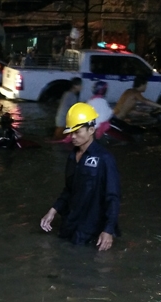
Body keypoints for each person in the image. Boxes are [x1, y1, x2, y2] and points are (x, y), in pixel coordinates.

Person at [40, 103, 121, 251]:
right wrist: (53, 210)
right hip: (70, 223)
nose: (73, 137)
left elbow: (113, 197)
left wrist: (108, 230)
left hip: (91, 228)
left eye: (77, 132)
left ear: (91, 130)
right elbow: (70, 189)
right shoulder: (72, 156)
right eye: (71, 133)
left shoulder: (105, 159)